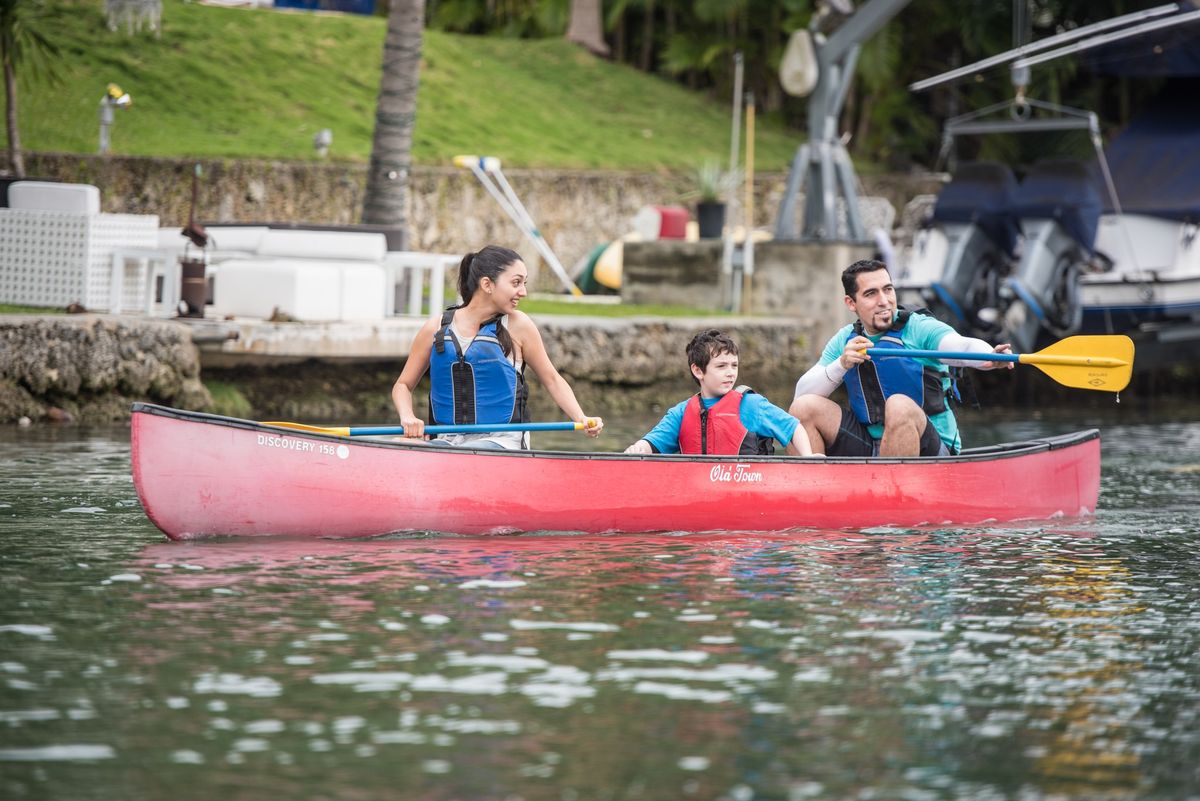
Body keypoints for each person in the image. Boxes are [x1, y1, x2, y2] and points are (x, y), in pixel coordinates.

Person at [789, 259, 1014, 457]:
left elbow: (961, 345)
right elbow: (801, 396)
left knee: (898, 405)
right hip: (870, 446)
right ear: (851, 303)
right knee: (804, 408)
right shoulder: (845, 340)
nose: (884, 301)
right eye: (871, 294)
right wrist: (841, 365)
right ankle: (817, 495)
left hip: (932, 448)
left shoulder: (919, 327)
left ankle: (890, 496)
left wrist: (988, 357)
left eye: (888, 290)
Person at [392, 245, 603, 449]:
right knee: (399, 445)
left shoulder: (519, 326)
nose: (523, 292)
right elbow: (403, 385)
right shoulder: (435, 328)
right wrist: (407, 416)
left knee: (468, 454)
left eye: (524, 283)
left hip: (502, 442)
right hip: (448, 442)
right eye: (516, 283)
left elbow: (552, 379)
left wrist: (581, 417)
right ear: (487, 284)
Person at [624, 329, 814, 456]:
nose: (730, 372)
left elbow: (794, 428)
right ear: (698, 370)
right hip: (698, 494)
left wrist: (807, 458)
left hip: (747, 493)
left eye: (734, 365)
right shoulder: (680, 414)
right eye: (721, 366)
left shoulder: (751, 405)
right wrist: (638, 448)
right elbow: (650, 444)